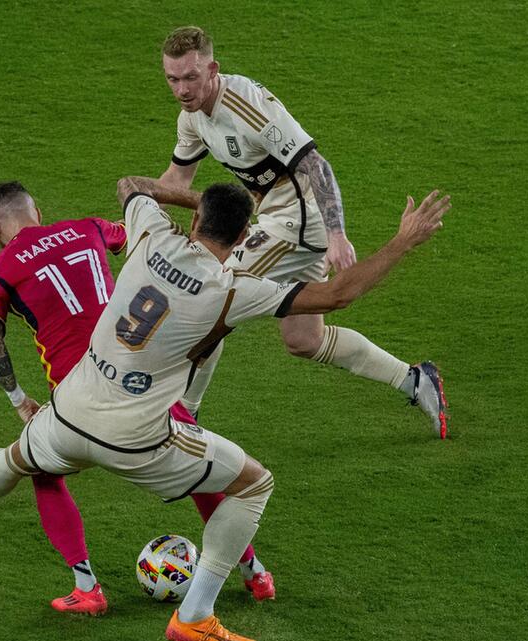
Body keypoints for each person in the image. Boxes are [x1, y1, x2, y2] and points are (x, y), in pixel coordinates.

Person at [0, 176, 451, 641]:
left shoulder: (150, 233)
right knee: (252, 483)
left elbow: (131, 186)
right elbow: (339, 294)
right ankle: (195, 616)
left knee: (18, 458)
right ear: (243, 237)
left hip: (69, 409)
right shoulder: (234, 290)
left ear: (193, 221)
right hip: (138, 436)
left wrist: (200, 198)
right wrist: (404, 240)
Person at [0, 181, 275, 617]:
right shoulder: (86, 228)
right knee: (204, 470)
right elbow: (151, 246)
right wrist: (212, 215)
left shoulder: (0, 270)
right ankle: (255, 573)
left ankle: (86, 586)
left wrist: (18, 400)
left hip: (78, 394)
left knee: (42, 471)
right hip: (141, 375)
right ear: (36, 209)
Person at [156, 26, 449, 438]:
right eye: (173, 79)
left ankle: (184, 415)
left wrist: (336, 235)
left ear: (212, 69)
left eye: (190, 77)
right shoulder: (192, 118)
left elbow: (318, 165)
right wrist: (142, 213)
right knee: (304, 340)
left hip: (299, 221)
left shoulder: (248, 108)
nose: (182, 89)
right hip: (275, 218)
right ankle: (415, 379)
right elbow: (176, 180)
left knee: (211, 292)